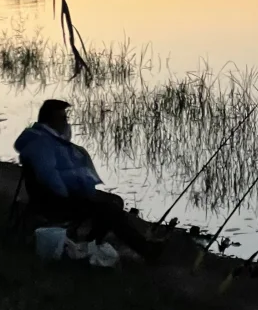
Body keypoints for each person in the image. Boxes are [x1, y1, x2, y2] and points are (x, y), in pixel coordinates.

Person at [15, 99, 160, 261]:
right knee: (109, 208)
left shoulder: (45, 139)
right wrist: (76, 191)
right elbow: (51, 179)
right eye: (62, 118)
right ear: (50, 121)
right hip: (52, 202)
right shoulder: (41, 144)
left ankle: (91, 244)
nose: (66, 123)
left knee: (112, 203)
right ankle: (144, 251)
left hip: (56, 197)